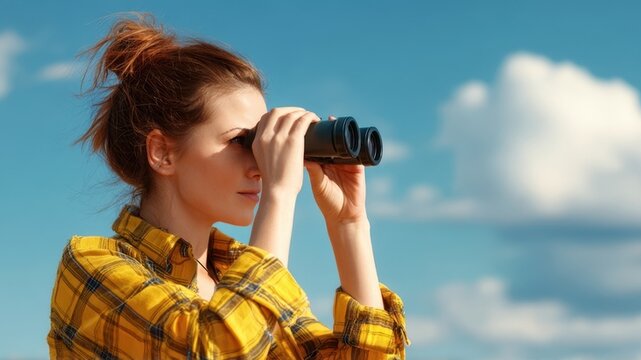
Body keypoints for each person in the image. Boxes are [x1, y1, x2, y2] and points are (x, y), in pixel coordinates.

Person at [47, 13, 410, 359]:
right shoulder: (93, 266)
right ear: (162, 153)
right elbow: (218, 349)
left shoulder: (241, 272)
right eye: (242, 142)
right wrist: (280, 195)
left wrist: (348, 225)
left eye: (263, 145)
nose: (261, 168)